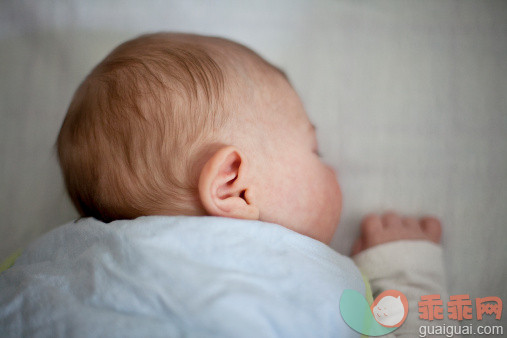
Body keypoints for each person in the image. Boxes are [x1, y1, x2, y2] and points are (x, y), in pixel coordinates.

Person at [0, 33, 449, 337]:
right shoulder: (298, 275)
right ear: (234, 185)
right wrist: (405, 274)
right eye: (315, 151)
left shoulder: (48, 263)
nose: (330, 168)